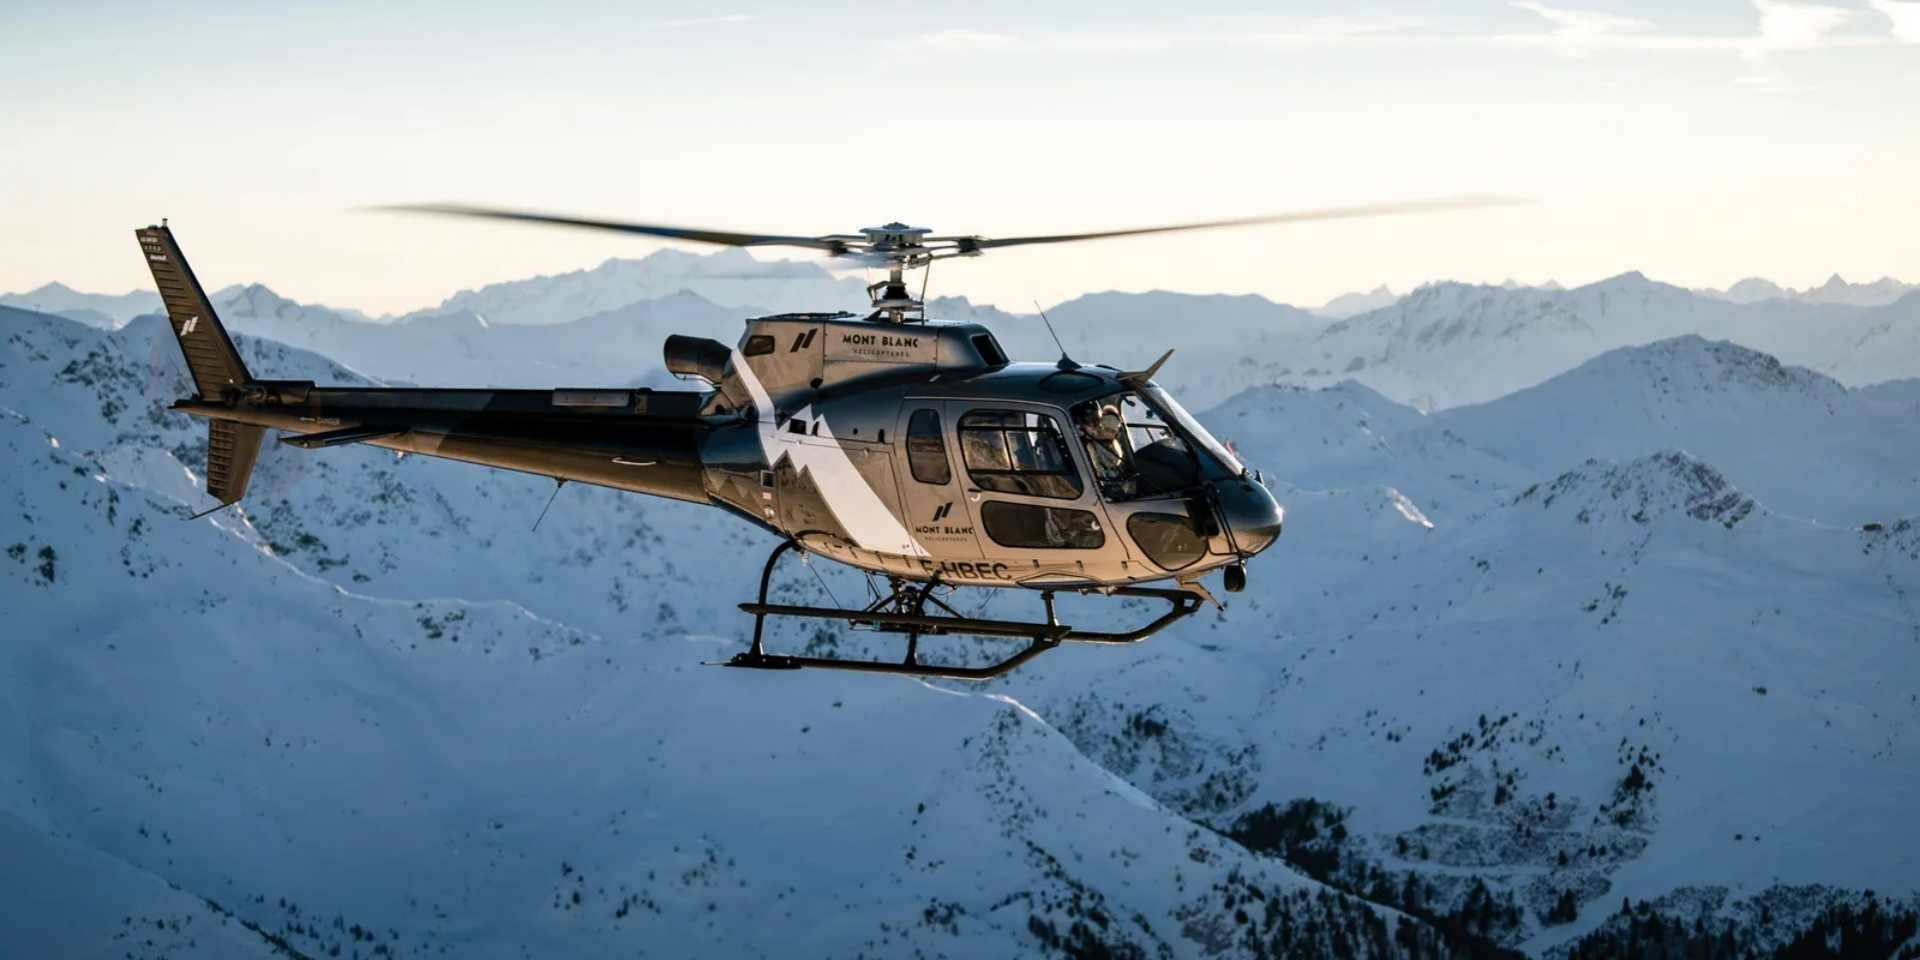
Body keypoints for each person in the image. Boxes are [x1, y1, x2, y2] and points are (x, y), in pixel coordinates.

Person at [1078, 401, 1136, 499]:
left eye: (1094, 417)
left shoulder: (1106, 427)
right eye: (1088, 419)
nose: (1093, 422)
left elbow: (1108, 432)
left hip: (1116, 476)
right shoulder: (1083, 442)